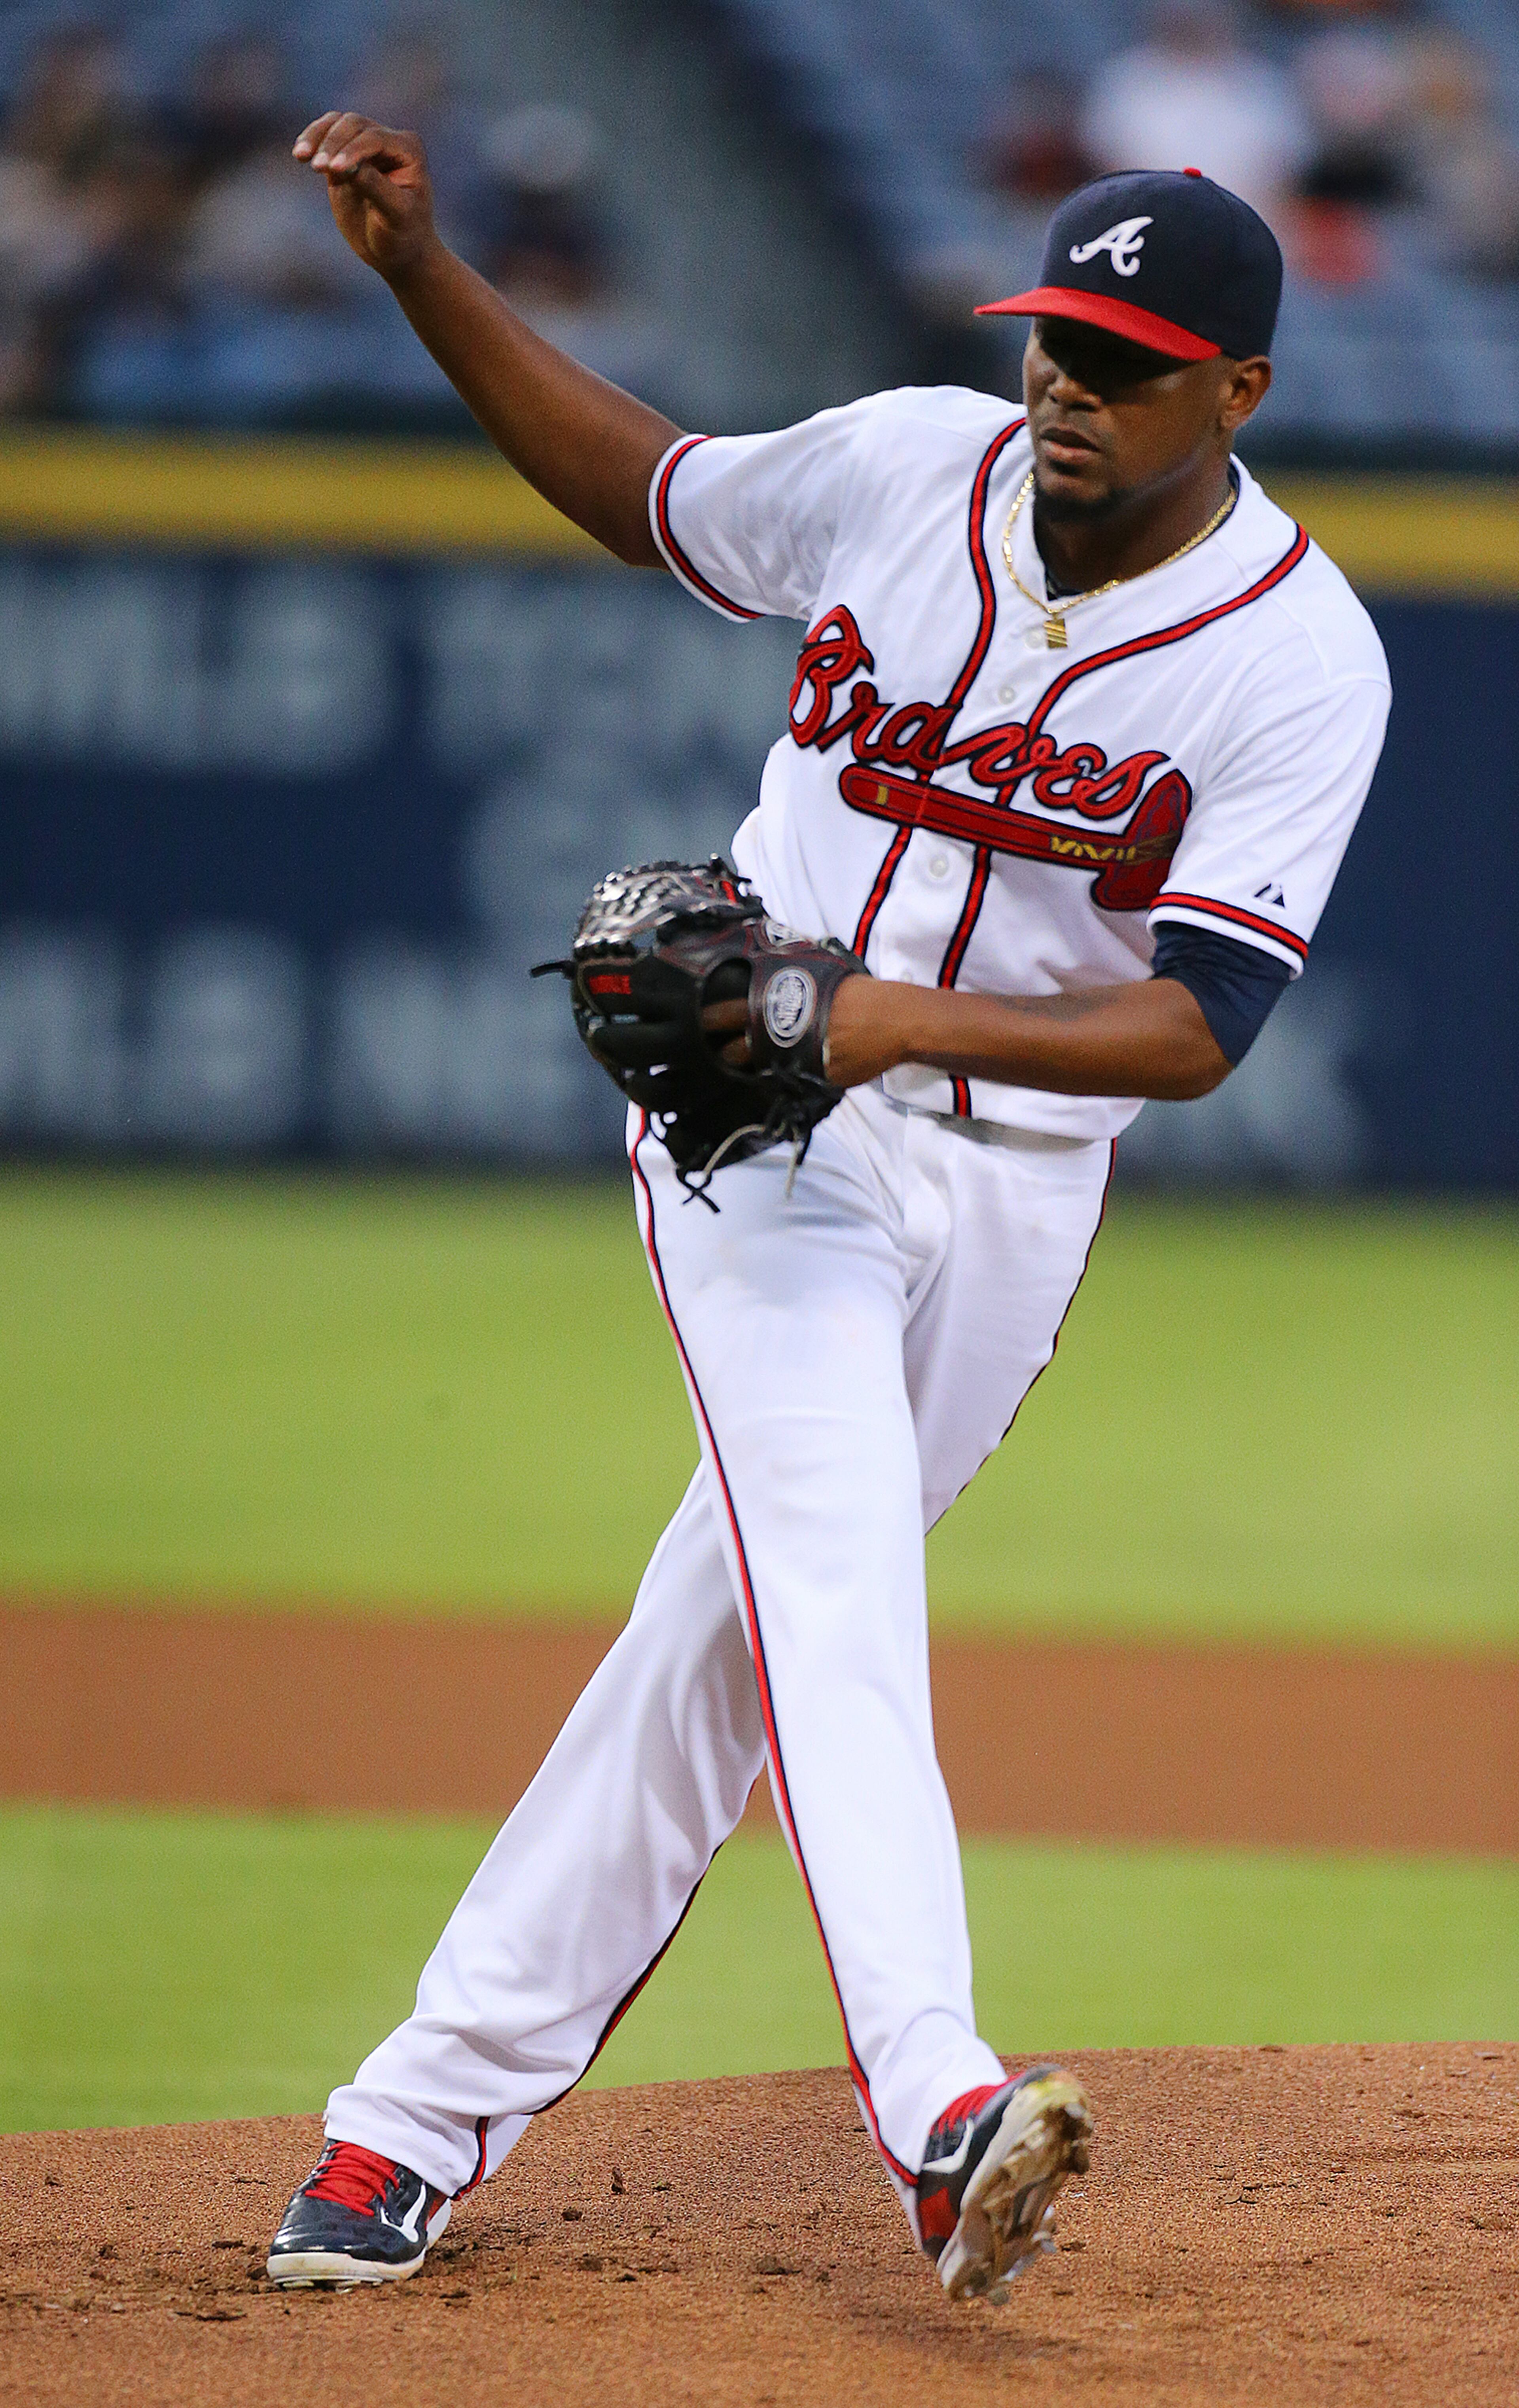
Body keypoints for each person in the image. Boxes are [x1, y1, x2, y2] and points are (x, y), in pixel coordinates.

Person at [264, 120, 1390, 2303]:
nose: (1070, 380)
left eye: (1129, 359)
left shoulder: (1300, 655)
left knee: (726, 1633)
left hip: (1011, 1184)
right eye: (1055, 335)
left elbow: (1196, 1034)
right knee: (836, 1569)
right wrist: (426, 275)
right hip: (760, 1122)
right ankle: (941, 2105)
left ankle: (402, 2123)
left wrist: (880, 1013)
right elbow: (652, 491)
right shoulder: (909, 466)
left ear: (1235, 392)